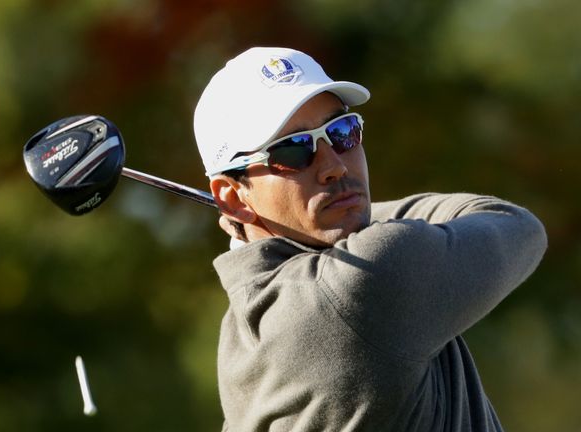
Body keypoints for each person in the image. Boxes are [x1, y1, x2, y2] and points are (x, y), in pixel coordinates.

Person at [193, 47, 547, 431]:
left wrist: (306, 215)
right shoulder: (366, 279)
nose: (333, 166)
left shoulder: (239, 338)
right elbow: (516, 226)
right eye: (292, 151)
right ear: (232, 196)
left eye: (342, 133)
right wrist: (353, 207)